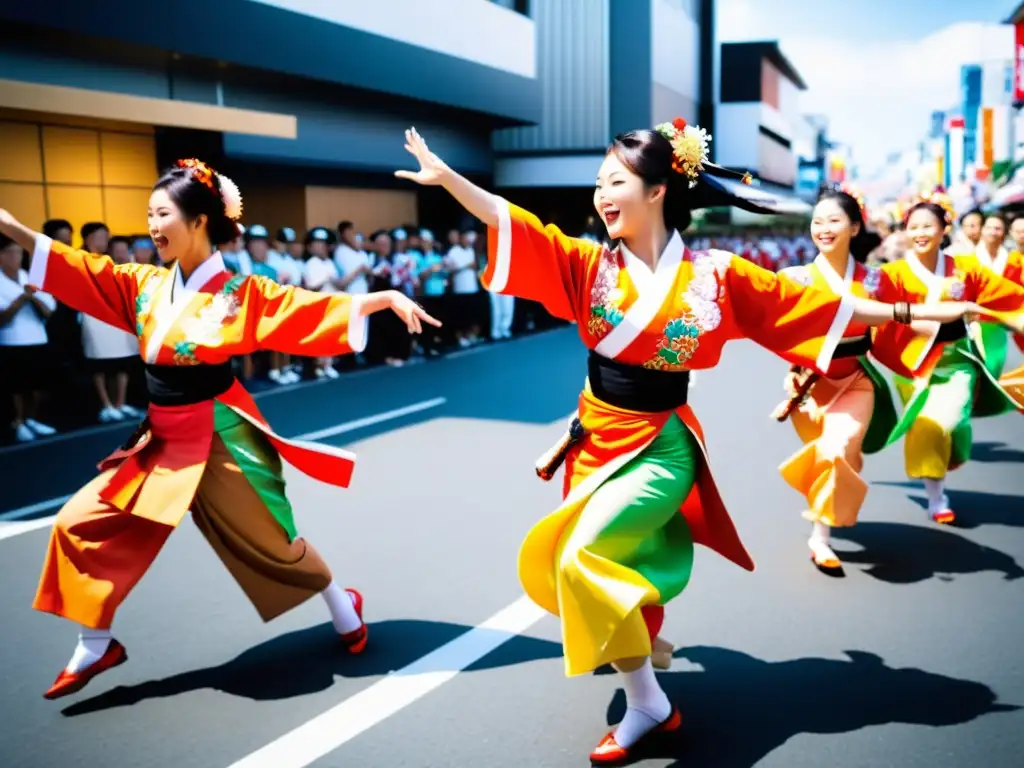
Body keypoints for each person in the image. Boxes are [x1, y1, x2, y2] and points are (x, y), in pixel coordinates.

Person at [395, 123, 977, 764]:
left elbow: (810, 304)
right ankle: (645, 684)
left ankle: (649, 703)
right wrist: (447, 177)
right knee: (587, 567)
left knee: (578, 558)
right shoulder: (590, 265)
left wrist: (904, 314)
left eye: (614, 181)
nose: (600, 195)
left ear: (659, 188)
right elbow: (515, 221)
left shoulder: (718, 274)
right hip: (595, 441)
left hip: (660, 447)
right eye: (597, 184)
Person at [0, 158, 439, 701]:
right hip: (160, 437)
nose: (152, 226)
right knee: (80, 522)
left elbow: (300, 308)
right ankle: (96, 642)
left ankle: (342, 605)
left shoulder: (237, 294)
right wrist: (10, 225)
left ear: (200, 220)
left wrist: (382, 297)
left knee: (273, 542)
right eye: (148, 214)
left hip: (218, 434)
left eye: (162, 213)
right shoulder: (142, 284)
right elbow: (79, 267)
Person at [775, 187, 925, 573]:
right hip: (807, 389)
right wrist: (792, 373)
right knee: (839, 458)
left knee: (837, 449)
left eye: (834, 220)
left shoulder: (875, 281)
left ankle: (820, 538)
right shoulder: (794, 278)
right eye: (817, 221)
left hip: (855, 381)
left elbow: (900, 326)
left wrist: (922, 366)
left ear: (855, 227)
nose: (823, 228)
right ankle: (830, 500)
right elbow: (774, 331)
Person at [881, 194, 1024, 524]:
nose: (920, 233)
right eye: (913, 227)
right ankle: (936, 498)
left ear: (944, 227)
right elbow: (868, 310)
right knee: (926, 425)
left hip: (956, 360)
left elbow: (1006, 296)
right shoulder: (894, 274)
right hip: (912, 365)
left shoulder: (965, 269)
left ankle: (953, 450)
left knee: (950, 421)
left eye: (927, 225)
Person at [0, 233, 58, 442]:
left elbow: (49, 311)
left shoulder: (29, 277)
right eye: (10, 252)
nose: (16, 257)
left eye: (18, 252)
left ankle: (31, 419)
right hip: (11, 342)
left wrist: (31, 297)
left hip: (37, 339)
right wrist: (21, 298)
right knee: (16, 387)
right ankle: (18, 422)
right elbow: (2, 317)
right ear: (1, 255)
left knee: (36, 385)